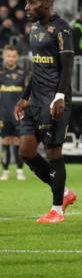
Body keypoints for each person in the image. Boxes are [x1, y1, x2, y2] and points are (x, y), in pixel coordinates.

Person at [15, 0, 77, 223]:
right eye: (26, 2)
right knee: (26, 152)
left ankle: (57, 211)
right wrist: (24, 96)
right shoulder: (35, 28)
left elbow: (68, 66)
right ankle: (63, 193)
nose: (26, 7)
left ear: (47, 4)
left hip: (54, 102)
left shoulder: (62, 29)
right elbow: (37, 68)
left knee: (53, 153)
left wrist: (60, 96)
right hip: (35, 101)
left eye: (31, 3)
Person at [0, 46, 28, 180]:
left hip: (18, 113)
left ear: (17, 57)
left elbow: (28, 93)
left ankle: (19, 170)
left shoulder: (23, 73)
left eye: (13, 56)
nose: (11, 58)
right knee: (5, 140)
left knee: (18, 141)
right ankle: (5, 171)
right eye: (9, 56)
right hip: (3, 113)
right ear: (4, 56)